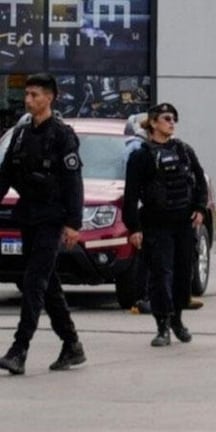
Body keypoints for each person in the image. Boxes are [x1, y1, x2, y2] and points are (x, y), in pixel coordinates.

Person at [0, 73, 86, 375]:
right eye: (27, 94)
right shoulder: (21, 133)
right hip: (29, 217)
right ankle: (72, 344)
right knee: (47, 284)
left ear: (50, 97)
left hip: (53, 218)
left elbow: (73, 182)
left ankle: (19, 349)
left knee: (34, 282)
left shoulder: (62, 135)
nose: (28, 100)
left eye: (35, 95)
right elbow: (5, 175)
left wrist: (74, 223)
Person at [123, 103, 208, 346]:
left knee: (183, 273)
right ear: (153, 123)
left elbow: (199, 181)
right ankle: (162, 326)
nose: (171, 123)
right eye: (166, 118)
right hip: (156, 224)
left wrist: (200, 209)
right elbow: (130, 195)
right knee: (161, 274)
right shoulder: (141, 156)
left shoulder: (184, 151)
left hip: (182, 223)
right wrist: (134, 227)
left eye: (174, 119)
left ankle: (177, 320)